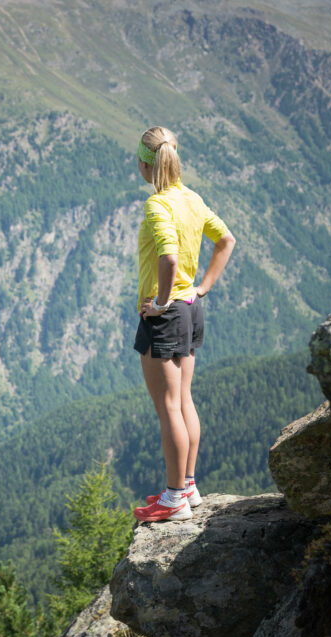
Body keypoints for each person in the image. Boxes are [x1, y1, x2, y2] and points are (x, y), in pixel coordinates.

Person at [131, 126, 236, 523]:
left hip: (167, 313)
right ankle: (187, 486)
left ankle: (174, 499)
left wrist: (158, 303)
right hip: (191, 307)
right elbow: (226, 239)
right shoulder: (192, 199)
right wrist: (203, 287)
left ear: (145, 163)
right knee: (184, 400)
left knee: (168, 407)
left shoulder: (157, 205)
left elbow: (169, 259)